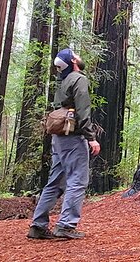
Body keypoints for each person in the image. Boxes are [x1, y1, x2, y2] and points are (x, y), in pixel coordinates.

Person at [27, 48, 100, 240]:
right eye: (77, 55)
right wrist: (91, 138)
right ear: (74, 61)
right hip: (73, 138)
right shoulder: (79, 79)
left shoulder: (63, 81)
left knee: (55, 182)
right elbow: (83, 111)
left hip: (58, 138)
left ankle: (38, 226)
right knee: (77, 181)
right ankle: (66, 225)